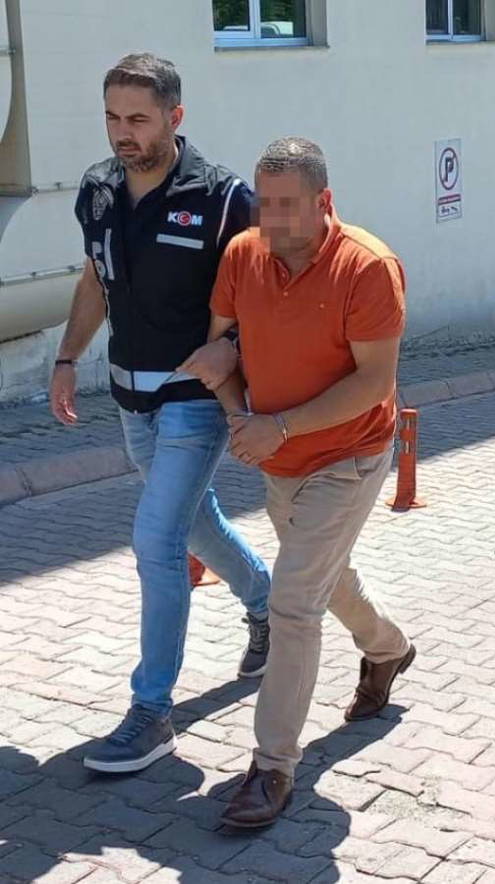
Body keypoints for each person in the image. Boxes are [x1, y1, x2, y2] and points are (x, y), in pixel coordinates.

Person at [53, 53, 271, 774]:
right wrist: (67, 358)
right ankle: (266, 603)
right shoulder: (98, 189)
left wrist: (231, 350)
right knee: (195, 522)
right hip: (129, 396)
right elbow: (96, 278)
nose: (123, 132)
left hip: (193, 400)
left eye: (139, 119)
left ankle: (151, 712)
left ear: (175, 117)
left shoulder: (224, 199)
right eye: (112, 117)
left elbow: (268, 297)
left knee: (156, 538)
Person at [207, 138, 415, 828]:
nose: (270, 220)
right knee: (325, 577)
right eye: (263, 204)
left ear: (324, 201)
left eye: (286, 206)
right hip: (280, 460)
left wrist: (280, 426)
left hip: (349, 457)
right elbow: (221, 351)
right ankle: (388, 649)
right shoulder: (242, 255)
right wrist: (239, 417)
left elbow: (375, 381)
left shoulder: (368, 266)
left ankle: (272, 767)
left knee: (293, 603)